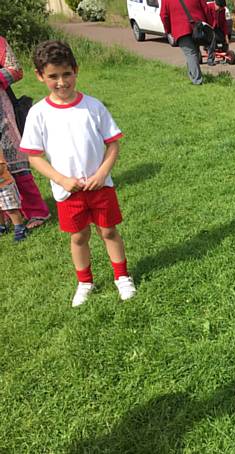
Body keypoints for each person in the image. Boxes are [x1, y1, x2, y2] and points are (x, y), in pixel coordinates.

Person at [19, 40, 136, 307]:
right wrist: (61, 180)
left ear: (76, 70)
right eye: (53, 76)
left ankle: (122, 277)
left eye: (66, 74)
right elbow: (34, 156)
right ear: (40, 76)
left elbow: (113, 144)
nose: (61, 82)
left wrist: (102, 173)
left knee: (109, 231)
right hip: (67, 192)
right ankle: (85, 282)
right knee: (79, 236)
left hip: (101, 187)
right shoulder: (38, 114)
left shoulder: (93, 107)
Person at [0, 35, 51, 229]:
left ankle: (37, 211)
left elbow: (16, 70)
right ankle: (4, 218)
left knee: (14, 158)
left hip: (2, 110)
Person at [161, 0, 213, 84]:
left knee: (191, 54)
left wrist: (168, 30)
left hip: (181, 29)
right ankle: (192, 76)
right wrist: (208, 25)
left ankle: (197, 81)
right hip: (198, 27)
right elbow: (205, 8)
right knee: (193, 53)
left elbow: (164, 15)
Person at [0, 145, 28, 241]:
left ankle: (20, 228)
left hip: (5, 186)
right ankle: (2, 227)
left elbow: (1, 168)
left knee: (11, 209)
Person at [205, 0, 230, 66]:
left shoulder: (222, 10)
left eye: (222, 8)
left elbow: (224, 22)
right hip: (208, 28)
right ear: (215, 4)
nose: (220, 9)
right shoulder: (208, 7)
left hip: (217, 28)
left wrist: (226, 35)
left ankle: (226, 54)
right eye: (219, 7)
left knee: (224, 39)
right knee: (212, 39)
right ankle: (210, 60)